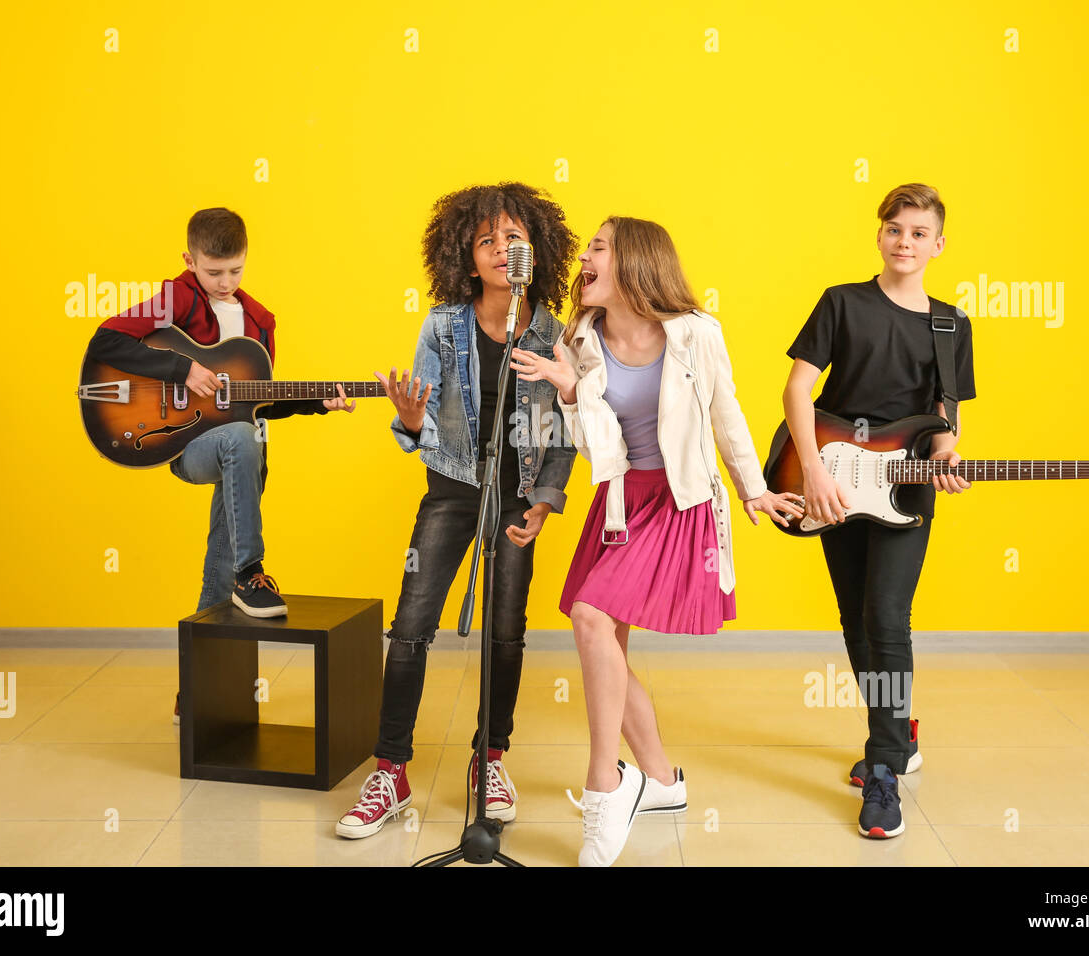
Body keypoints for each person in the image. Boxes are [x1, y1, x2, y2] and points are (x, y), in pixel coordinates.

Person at [511, 216, 804, 867]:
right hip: (620, 498)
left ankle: (604, 786)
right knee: (604, 641)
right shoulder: (581, 338)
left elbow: (726, 412)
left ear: (635, 261)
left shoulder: (696, 334)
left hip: (678, 502)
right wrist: (568, 392)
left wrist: (754, 488)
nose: (583, 257)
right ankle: (663, 784)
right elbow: (592, 444)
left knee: (590, 619)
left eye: (597, 247)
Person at [336, 183, 578, 840]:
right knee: (412, 625)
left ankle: (489, 760)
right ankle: (391, 770)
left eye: (514, 237)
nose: (502, 249)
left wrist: (546, 504)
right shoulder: (442, 327)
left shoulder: (555, 333)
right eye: (486, 240)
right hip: (451, 488)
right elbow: (417, 420)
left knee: (505, 631)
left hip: (519, 499)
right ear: (467, 260)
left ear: (537, 249)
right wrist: (411, 421)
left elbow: (566, 430)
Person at [85, 207, 355, 722]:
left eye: (235, 270)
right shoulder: (177, 297)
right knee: (235, 443)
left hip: (242, 449)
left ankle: (196, 697)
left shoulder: (260, 321)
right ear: (190, 260)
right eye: (213, 272)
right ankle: (251, 574)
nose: (225, 282)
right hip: (186, 444)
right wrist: (182, 367)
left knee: (217, 560)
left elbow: (254, 400)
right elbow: (107, 341)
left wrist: (318, 401)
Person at [781, 183, 977, 838]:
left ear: (939, 245)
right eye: (895, 229)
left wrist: (948, 456)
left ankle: (885, 763)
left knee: (888, 615)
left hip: (907, 486)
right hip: (832, 477)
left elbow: (945, 413)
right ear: (879, 235)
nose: (905, 242)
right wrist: (811, 471)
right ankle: (896, 728)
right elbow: (798, 390)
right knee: (855, 619)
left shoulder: (951, 323)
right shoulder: (842, 303)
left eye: (919, 233)